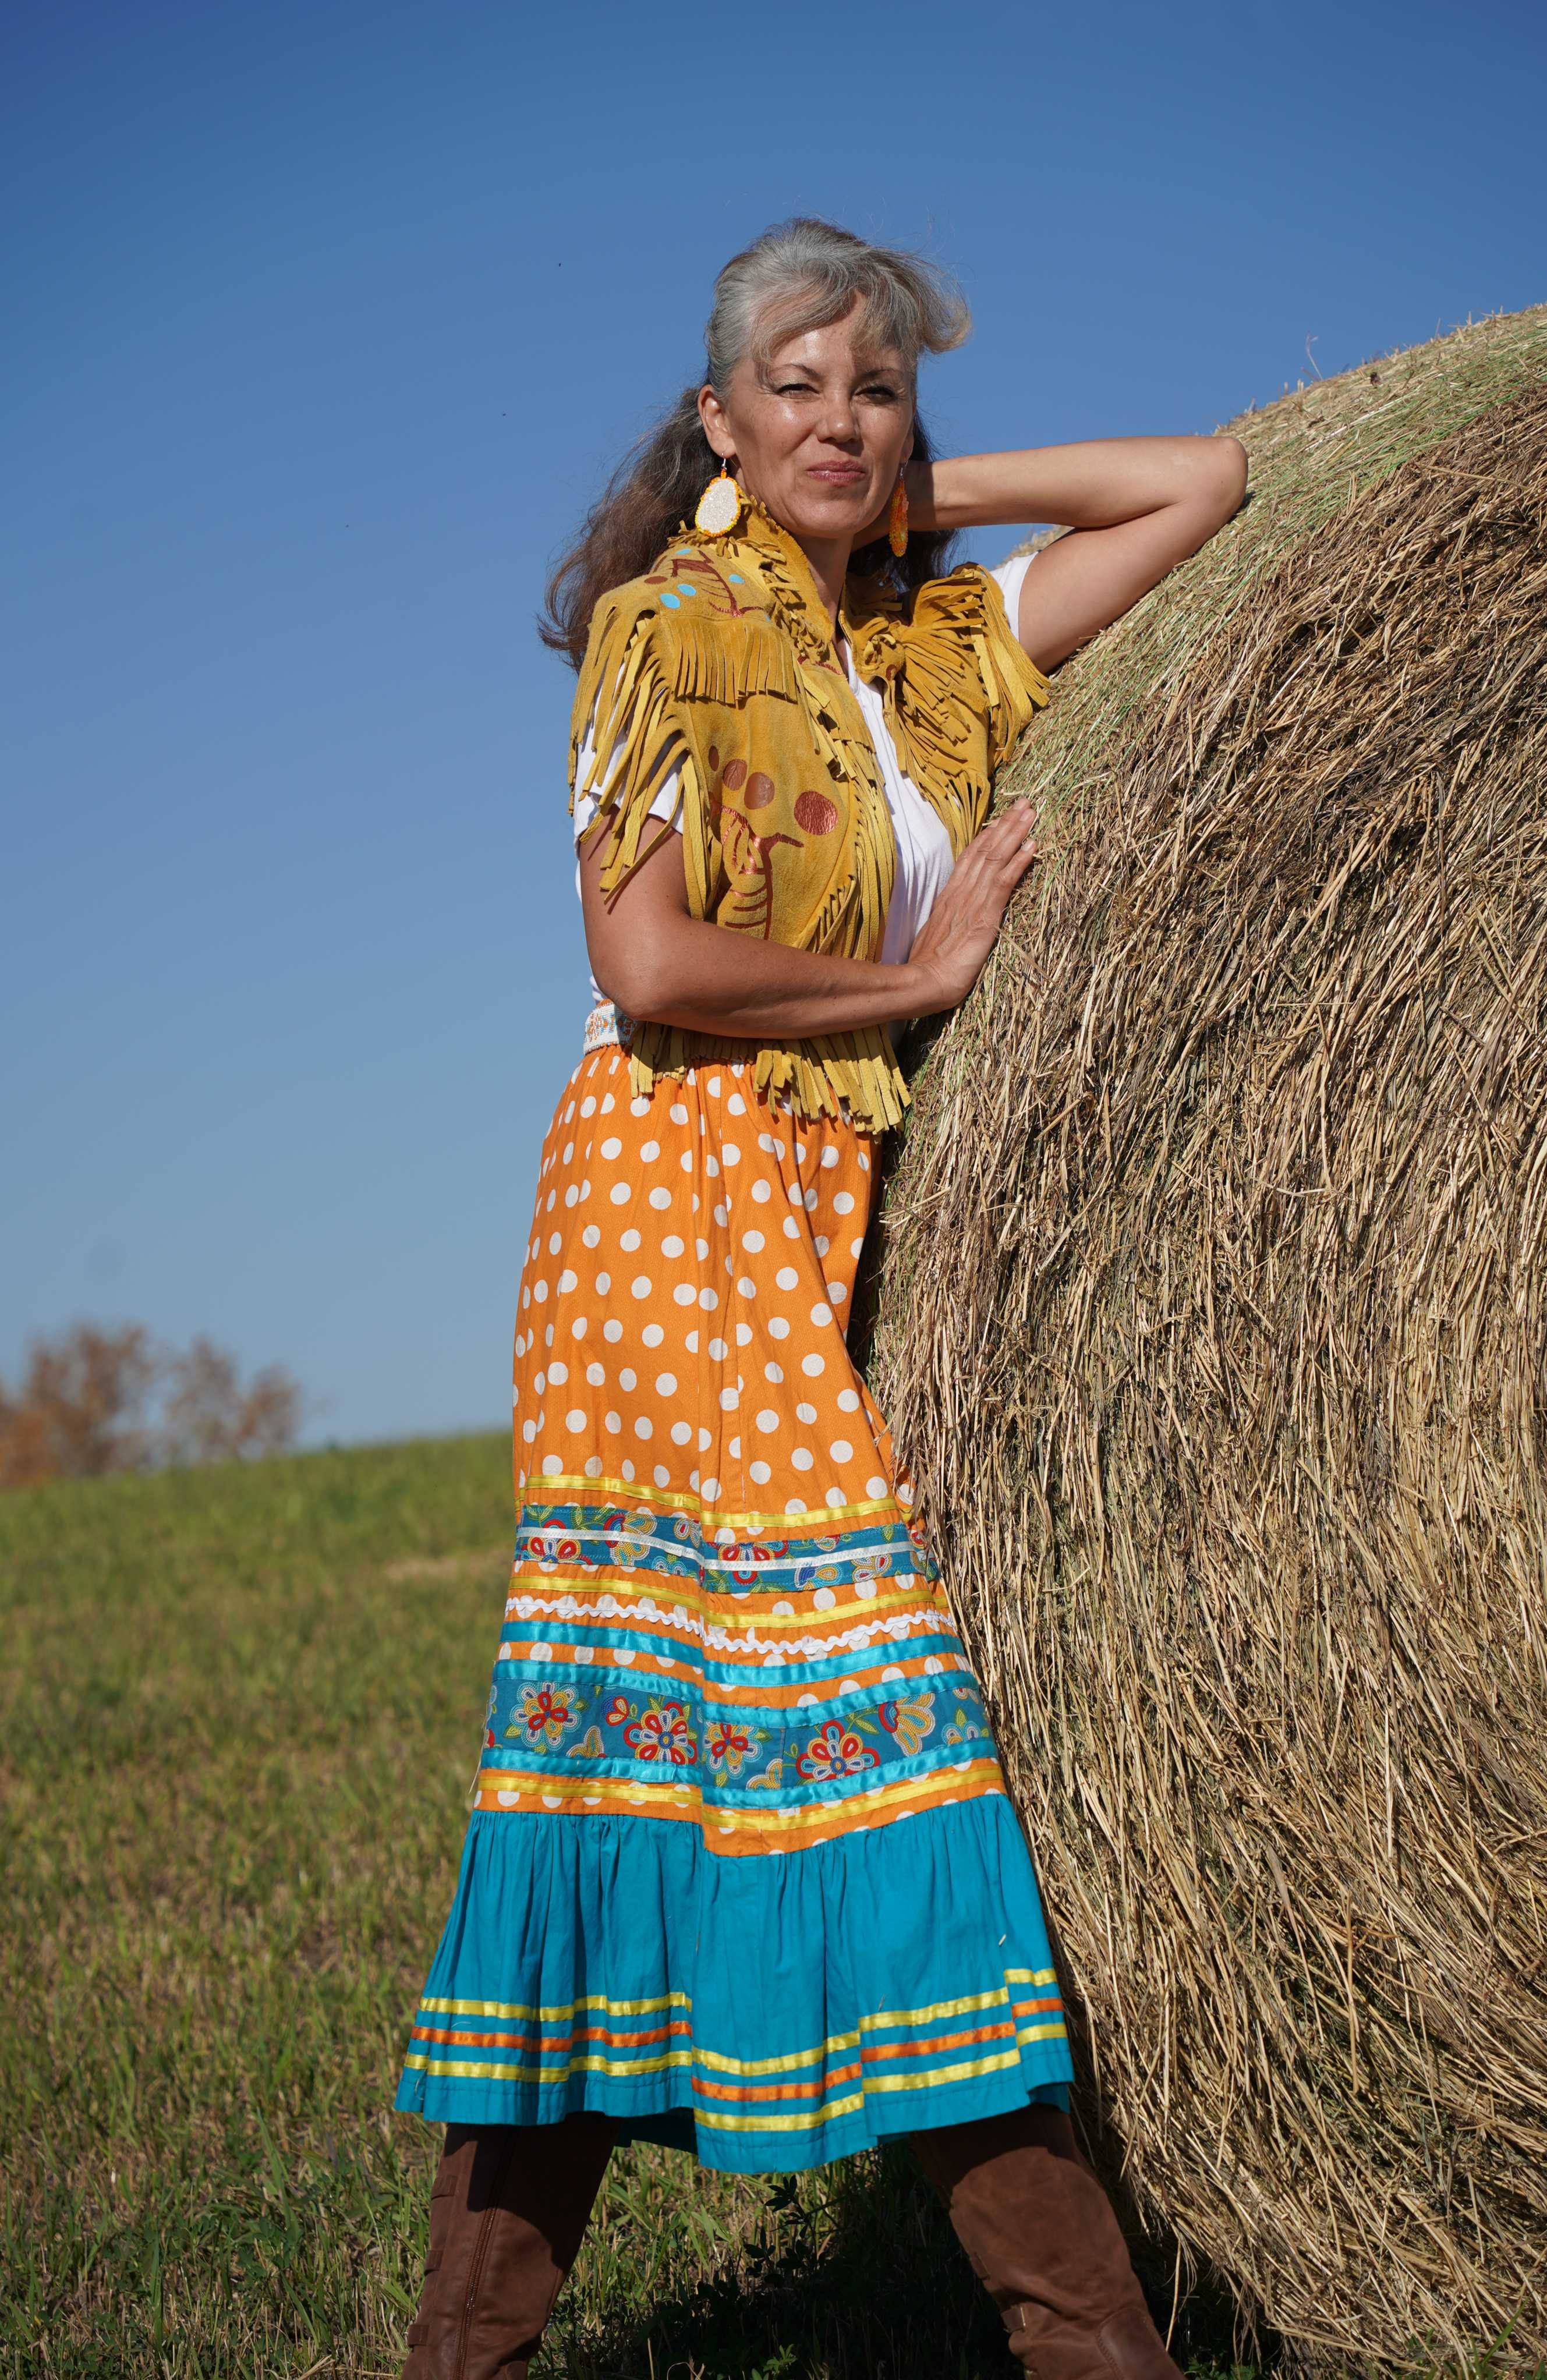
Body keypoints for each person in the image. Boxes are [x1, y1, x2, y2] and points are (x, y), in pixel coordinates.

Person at [395, 218, 1247, 2380]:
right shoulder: (666, 627)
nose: (837, 420)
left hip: (806, 1208)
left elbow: (1203, 488)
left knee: (674, 1759)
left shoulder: (942, 654)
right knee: (875, 1743)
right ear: (715, 415)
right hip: (665, 1199)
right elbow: (651, 962)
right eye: (791, 386)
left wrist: (901, 495)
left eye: (872, 388)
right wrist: (922, 976)